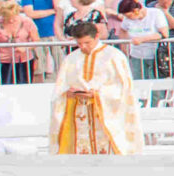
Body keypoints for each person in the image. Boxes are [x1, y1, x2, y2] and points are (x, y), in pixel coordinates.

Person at [48, 14, 141, 155]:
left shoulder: (113, 56)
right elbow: (61, 87)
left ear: (96, 36)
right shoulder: (71, 58)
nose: (83, 47)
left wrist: (98, 93)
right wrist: (69, 91)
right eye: (79, 43)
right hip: (79, 112)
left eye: (87, 43)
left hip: (105, 112)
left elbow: (123, 88)